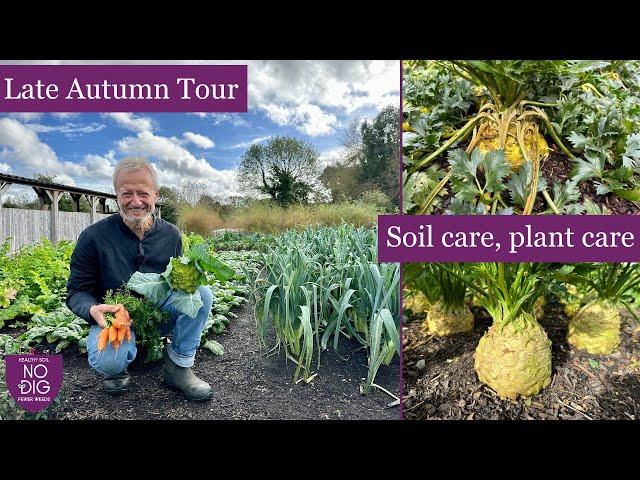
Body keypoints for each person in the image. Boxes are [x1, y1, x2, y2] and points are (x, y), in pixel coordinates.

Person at [66, 157, 214, 401]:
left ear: (155, 194)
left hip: (156, 315)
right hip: (114, 320)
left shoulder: (171, 235)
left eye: (143, 193)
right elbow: (76, 292)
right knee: (108, 361)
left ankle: (179, 367)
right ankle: (121, 362)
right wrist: (92, 309)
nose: (136, 201)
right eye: (127, 194)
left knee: (201, 293)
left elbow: (177, 288)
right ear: (117, 195)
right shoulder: (93, 237)